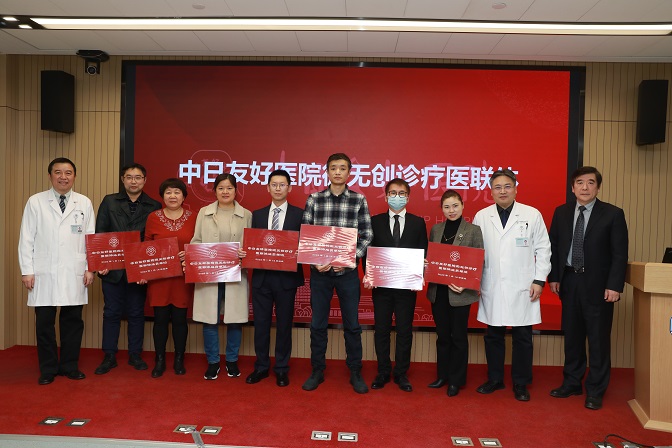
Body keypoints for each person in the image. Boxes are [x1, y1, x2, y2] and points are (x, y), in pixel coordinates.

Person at [548, 166, 628, 410]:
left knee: (598, 339)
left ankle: (595, 390)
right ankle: (572, 382)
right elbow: (555, 247)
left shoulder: (613, 214)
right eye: (580, 182)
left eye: (591, 182)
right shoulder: (561, 212)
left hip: (599, 286)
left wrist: (614, 285)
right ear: (573, 187)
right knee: (572, 336)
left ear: (598, 187)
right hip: (569, 281)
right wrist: (554, 277)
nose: (585, 187)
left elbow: (619, 253)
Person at [472, 168, 551, 402]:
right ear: (491, 191)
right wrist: (473, 280)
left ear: (516, 189)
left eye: (507, 186)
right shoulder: (482, 216)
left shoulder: (532, 214)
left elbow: (543, 249)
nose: (503, 191)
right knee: (493, 336)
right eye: (497, 187)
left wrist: (539, 280)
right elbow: (474, 252)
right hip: (492, 283)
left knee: (523, 337)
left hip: (523, 285)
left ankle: (521, 382)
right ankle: (495, 379)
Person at [18, 157, 95, 385]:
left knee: (73, 322)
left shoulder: (84, 202)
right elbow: (26, 238)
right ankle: (48, 369)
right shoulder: (36, 201)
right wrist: (27, 270)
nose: (63, 177)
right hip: (44, 271)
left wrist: (90, 268)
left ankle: (70, 366)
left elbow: (90, 238)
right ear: (50, 175)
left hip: (75, 271)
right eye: (58, 172)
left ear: (74, 176)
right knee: (44, 323)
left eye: (68, 173)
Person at [301, 153, 374, 394]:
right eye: (333, 168)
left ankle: (355, 371)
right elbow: (305, 234)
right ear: (327, 171)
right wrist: (315, 261)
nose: (338, 172)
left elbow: (367, 235)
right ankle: (317, 370)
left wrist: (350, 259)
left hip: (347, 273)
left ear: (349, 172)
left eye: (342, 168)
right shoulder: (315, 199)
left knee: (352, 325)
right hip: (320, 274)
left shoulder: (358, 199)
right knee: (317, 324)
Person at [94, 163, 162, 375]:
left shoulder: (154, 205)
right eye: (129, 177)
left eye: (138, 177)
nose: (134, 181)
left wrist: (147, 270)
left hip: (138, 270)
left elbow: (154, 241)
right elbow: (100, 233)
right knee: (111, 313)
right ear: (123, 180)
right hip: (112, 270)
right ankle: (109, 356)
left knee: (136, 313)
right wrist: (100, 263)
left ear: (145, 180)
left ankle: (135, 354)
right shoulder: (109, 201)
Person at [364, 178, 428, 392]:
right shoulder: (375, 221)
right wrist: (369, 275)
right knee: (381, 330)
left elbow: (423, 251)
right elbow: (368, 252)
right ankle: (383, 371)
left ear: (408, 197)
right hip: (381, 287)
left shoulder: (418, 223)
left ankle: (401, 373)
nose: (397, 197)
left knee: (404, 331)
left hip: (407, 288)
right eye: (392, 193)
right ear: (386, 196)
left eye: (401, 193)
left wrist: (419, 276)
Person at [243, 169, 304, 387]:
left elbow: (306, 245)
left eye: (282, 184)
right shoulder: (257, 214)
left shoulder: (300, 214)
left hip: (286, 279)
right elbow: (252, 244)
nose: (278, 188)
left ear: (289, 188)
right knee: (261, 324)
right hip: (262, 278)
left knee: (284, 325)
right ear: (268, 188)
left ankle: (281, 368)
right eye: (274, 185)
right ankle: (261, 366)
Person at [191, 172, 252, 380]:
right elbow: (196, 240)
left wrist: (245, 254)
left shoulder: (246, 214)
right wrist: (194, 255)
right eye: (221, 188)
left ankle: (232, 361)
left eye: (229, 188)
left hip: (236, 274)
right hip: (209, 274)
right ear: (214, 191)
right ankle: (213, 362)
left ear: (236, 191)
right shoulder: (204, 212)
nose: (225, 192)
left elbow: (251, 245)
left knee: (235, 319)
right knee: (210, 319)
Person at [426, 190, 483, 397]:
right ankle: (442, 375)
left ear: (462, 206)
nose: (452, 210)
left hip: (460, 294)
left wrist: (466, 285)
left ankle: (456, 380)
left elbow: (480, 262)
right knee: (442, 336)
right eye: (447, 207)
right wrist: (427, 264)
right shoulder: (436, 229)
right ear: (442, 209)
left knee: (458, 337)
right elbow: (432, 258)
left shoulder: (473, 230)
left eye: (455, 205)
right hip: (438, 292)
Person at [142, 178, 196, 378]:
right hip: (159, 278)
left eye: (177, 192)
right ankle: (160, 359)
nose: (172, 196)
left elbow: (200, 244)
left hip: (182, 277)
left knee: (180, 319)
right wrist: (143, 271)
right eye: (168, 192)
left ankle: (179, 359)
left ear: (184, 196)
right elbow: (146, 246)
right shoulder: (153, 217)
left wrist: (188, 253)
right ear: (162, 196)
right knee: (160, 319)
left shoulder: (194, 217)